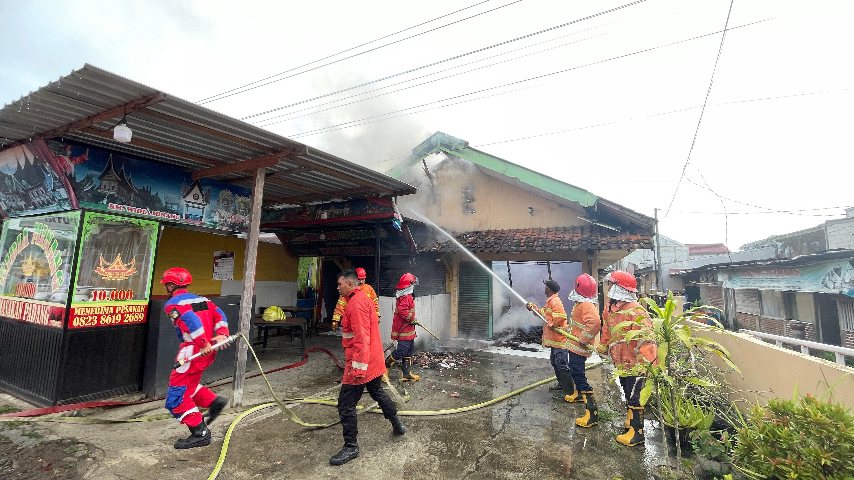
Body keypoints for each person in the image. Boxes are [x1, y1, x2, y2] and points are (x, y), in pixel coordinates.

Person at [330, 270, 406, 466]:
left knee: (345, 404)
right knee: (377, 392)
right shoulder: (363, 297)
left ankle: (351, 447)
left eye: (340, 284)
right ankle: (397, 425)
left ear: (350, 284)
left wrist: (358, 370)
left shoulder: (355, 304)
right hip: (373, 360)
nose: (337, 287)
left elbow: (361, 339)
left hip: (361, 364)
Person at [162, 267, 231, 450]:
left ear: (170, 285)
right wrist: (222, 334)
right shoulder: (203, 300)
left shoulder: (172, 304)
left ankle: (200, 433)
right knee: (189, 386)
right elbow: (220, 315)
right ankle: (213, 402)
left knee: (175, 398)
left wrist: (201, 343)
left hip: (193, 352)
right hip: (207, 351)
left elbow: (190, 320)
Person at [598, 270, 657, 447]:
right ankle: (631, 422)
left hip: (637, 363)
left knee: (636, 397)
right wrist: (604, 344)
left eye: (612, 284)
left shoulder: (635, 310)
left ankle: (637, 433)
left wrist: (646, 365)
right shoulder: (610, 306)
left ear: (620, 288)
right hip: (621, 362)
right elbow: (607, 328)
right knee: (627, 391)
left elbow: (647, 339)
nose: (609, 288)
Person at [525, 279, 575, 404]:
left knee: (562, 365)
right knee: (555, 363)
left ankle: (569, 392)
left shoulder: (555, 301)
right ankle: (561, 384)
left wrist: (553, 323)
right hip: (554, 341)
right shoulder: (550, 301)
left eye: (546, 286)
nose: (544, 288)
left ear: (549, 289)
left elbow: (562, 316)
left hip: (559, 341)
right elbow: (544, 314)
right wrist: (533, 308)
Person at [565, 274, 602, 428]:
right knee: (574, 371)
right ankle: (579, 395)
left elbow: (594, 323)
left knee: (578, 375)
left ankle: (591, 412)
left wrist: (583, 339)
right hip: (575, 346)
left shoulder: (586, 305)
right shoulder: (582, 303)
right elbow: (578, 324)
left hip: (579, 347)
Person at [388, 272, 420, 381]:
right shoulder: (406, 297)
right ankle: (383, 368)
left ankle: (406, 374)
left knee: (409, 351)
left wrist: (412, 320)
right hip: (403, 329)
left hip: (408, 329)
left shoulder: (406, 295)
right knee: (401, 351)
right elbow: (403, 311)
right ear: (409, 285)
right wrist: (412, 319)